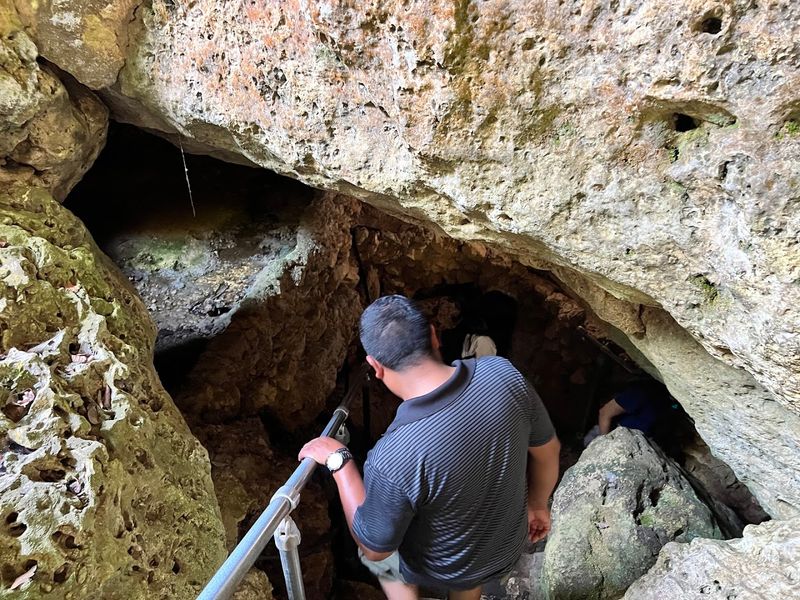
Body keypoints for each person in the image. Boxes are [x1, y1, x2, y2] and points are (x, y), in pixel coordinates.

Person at [299, 295, 560, 600]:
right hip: (506, 548)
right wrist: (538, 505)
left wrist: (339, 462)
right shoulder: (502, 373)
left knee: (377, 556)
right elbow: (549, 451)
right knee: (466, 561)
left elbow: (375, 547)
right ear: (435, 336)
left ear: (375, 367)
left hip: (441, 568)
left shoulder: (393, 456)